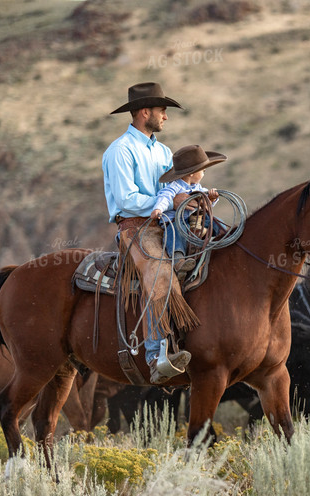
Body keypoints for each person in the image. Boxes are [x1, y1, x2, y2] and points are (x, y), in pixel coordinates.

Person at [102, 82, 199, 384]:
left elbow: (174, 189)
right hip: (136, 228)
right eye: (162, 111)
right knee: (159, 272)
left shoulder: (164, 151)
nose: (165, 117)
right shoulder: (120, 151)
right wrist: (169, 203)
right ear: (145, 112)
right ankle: (156, 356)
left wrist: (191, 199)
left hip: (169, 224)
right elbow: (127, 200)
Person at [150, 145, 227, 275]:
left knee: (216, 221)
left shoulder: (198, 187)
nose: (204, 173)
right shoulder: (174, 187)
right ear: (192, 173)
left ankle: (226, 239)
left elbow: (206, 202)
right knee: (174, 231)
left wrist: (211, 199)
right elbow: (164, 197)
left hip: (195, 219)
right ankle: (178, 259)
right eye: (203, 171)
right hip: (176, 220)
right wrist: (158, 209)